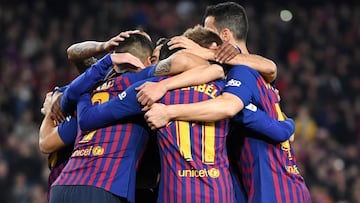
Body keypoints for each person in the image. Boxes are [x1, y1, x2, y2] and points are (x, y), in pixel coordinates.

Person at [73, 25, 295, 203]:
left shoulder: (151, 92)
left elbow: (89, 118)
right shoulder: (224, 93)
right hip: (219, 194)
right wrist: (288, 124)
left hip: (172, 194)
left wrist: (80, 94)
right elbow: (277, 129)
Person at [144, 2, 311, 203]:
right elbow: (271, 69)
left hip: (272, 191)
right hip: (284, 186)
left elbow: (229, 106)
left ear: (223, 36)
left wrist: (169, 111)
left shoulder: (241, 73)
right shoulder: (260, 77)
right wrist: (287, 124)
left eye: (209, 32)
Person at [50, 33, 155, 203]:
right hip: (103, 185)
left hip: (62, 186)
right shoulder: (144, 85)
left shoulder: (91, 85)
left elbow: (72, 55)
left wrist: (104, 49)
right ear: (150, 60)